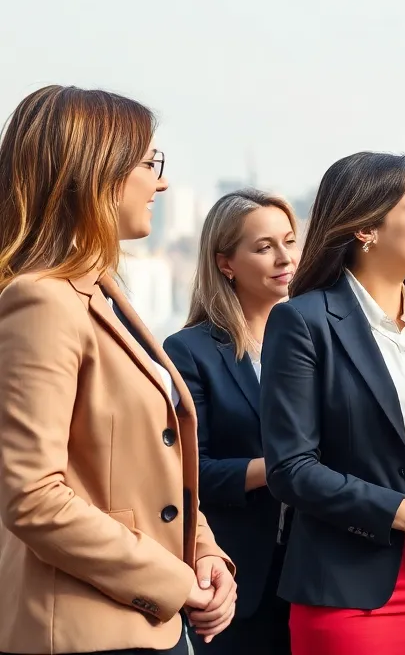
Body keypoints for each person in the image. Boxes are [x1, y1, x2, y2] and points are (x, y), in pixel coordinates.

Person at [0, 86, 236, 655]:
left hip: (141, 623)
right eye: (148, 163)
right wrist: (176, 583)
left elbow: (151, 467)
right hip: (84, 633)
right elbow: (32, 495)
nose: (161, 182)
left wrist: (205, 554)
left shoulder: (99, 292)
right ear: (94, 171)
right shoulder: (42, 301)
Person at [259, 152, 405, 655]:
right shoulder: (303, 323)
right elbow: (292, 468)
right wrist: (401, 513)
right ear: (367, 229)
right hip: (347, 587)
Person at [164, 190, 301, 653]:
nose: (285, 258)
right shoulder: (190, 351)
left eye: (289, 241)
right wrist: (286, 466)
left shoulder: (316, 339)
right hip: (237, 573)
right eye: (264, 247)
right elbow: (189, 472)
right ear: (226, 263)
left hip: (320, 569)